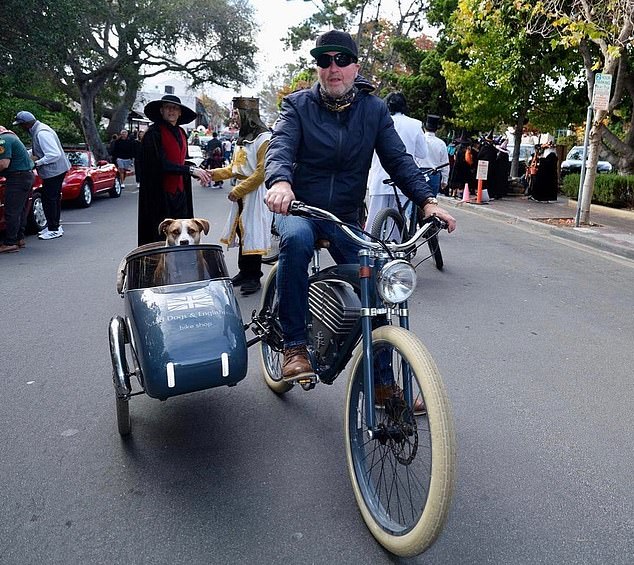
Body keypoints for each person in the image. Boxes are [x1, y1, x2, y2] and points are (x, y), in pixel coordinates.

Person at [264, 30, 456, 387]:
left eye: (341, 60)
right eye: (324, 60)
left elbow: (399, 161)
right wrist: (280, 182)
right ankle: (294, 346)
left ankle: (381, 383)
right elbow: (281, 149)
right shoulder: (297, 106)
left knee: (380, 280)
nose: (332, 68)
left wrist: (428, 202)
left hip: (344, 219)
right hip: (300, 211)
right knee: (297, 242)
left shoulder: (374, 111)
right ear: (318, 67)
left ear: (355, 67)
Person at [210, 97, 273, 295]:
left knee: (252, 234)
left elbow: (262, 172)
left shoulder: (264, 138)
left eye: (236, 113)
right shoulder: (242, 137)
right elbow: (235, 167)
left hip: (256, 193)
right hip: (243, 193)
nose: (233, 117)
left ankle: (254, 277)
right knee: (241, 232)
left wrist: (238, 190)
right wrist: (213, 174)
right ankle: (244, 272)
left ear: (247, 114)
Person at [137, 94, 212, 246]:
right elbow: (159, 164)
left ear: (180, 112)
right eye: (167, 107)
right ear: (161, 111)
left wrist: (197, 169)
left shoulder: (182, 133)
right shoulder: (153, 134)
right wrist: (190, 170)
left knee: (183, 233)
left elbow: (181, 160)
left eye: (175, 108)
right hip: (159, 195)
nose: (171, 111)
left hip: (180, 194)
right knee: (158, 236)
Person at [365, 91, 428, 234]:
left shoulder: (378, 120)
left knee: (373, 220)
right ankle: (394, 250)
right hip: (403, 178)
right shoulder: (415, 124)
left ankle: (368, 252)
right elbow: (422, 153)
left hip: (379, 177)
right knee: (398, 221)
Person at [13, 111, 70, 240]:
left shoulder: (41, 133)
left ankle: (54, 229)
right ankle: (53, 226)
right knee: (52, 199)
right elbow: (38, 150)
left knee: (49, 200)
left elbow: (54, 154)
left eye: (21, 125)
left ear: (27, 124)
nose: (21, 128)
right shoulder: (40, 129)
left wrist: (37, 163)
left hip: (53, 171)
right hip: (56, 170)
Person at [0, 125, 36, 253]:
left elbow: (4, 163)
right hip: (26, 176)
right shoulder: (11, 137)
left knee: (11, 211)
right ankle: (19, 238)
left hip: (17, 178)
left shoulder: (3, 140)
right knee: (20, 210)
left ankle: (10, 243)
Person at [418, 114, 450, 196]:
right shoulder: (441, 143)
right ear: (436, 129)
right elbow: (445, 163)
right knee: (431, 201)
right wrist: (444, 180)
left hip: (420, 172)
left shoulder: (419, 139)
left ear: (424, 127)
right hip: (434, 173)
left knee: (416, 199)